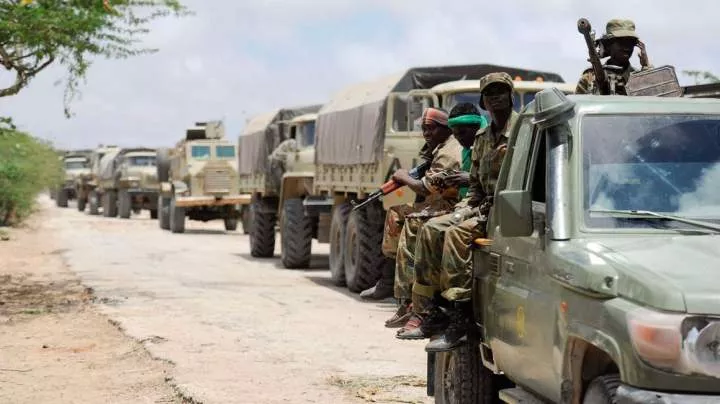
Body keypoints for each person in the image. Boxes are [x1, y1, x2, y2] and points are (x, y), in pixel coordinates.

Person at [396, 72, 517, 341]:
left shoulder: (522, 131)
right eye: (490, 93)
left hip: (508, 207)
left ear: (510, 96)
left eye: (501, 91)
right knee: (431, 229)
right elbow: (475, 185)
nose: (496, 97)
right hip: (481, 205)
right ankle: (430, 308)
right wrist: (463, 209)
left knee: (456, 235)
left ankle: (459, 310)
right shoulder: (484, 136)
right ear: (483, 101)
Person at [360, 108, 464, 301]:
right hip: (440, 202)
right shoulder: (440, 147)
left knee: (405, 219)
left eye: (431, 128)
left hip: (451, 205)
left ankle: (404, 293)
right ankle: (389, 281)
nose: (426, 133)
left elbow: (425, 188)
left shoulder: (448, 152)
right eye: (424, 128)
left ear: (445, 128)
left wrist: (403, 177)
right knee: (395, 213)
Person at [575, 18, 653, 95]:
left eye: (630, 42)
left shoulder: (639, 78)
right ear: (608, 45)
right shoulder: (589, 78)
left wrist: (646, 68)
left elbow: (654, 99)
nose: (626, 47)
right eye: (621, 42)